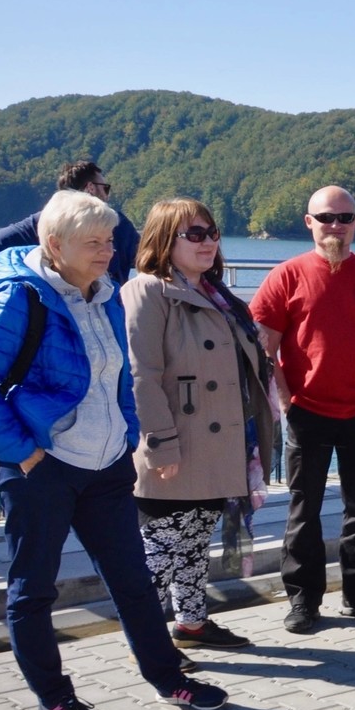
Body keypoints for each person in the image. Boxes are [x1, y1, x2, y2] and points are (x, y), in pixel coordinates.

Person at [0, 190, 228, 710]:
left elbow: (121, 374)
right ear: (55, 245)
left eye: (109, 240)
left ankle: (169, 678)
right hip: (41, 468)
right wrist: (22, 452)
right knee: (34, 589)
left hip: (106, 464)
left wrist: (126, 431)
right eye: (93, 242)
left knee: (133, 581)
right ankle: (54, 700)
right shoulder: (21, 297)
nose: (107, 251)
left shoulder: (106, 294)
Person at [251, 186, 355, 634]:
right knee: (303, 512)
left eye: (345, 218)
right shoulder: (286, 276)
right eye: (326, 217)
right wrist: (285, 401)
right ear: (309, 222)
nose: (335, 226)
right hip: (306, 413)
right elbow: (264, 349)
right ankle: (303, 601)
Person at [123, 197, 276, 654]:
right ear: (164, 239)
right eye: (194, 234)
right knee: (160, 553)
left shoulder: (215, 294)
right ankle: (147, 646)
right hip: (177, 444)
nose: (207, 242)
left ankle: (191, 623)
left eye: (212, 233)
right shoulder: (147, 291)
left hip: (218, 443)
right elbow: (140, 376)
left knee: (193, 543)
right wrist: (160, 444)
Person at [0, 160, 140, 285]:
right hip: (103, 302)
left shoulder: (44, 221)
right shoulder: (117, 223)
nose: (106, 251)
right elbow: (144, 257)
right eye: (105, 188)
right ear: (90, 188)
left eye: (109, 241)